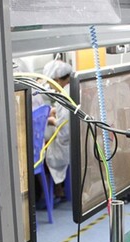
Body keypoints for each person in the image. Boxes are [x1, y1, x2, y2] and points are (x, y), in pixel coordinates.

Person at [42, 59, 73, 198]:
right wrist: (55, 111)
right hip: (75, 140)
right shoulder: (71, 89)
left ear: (58, 80)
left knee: (44, 154)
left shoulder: (63, 96)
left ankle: (55, 190)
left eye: (50, 83)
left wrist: (51, 121)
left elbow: (64, 129)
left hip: (67, 146)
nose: (50, 87)